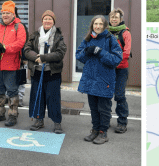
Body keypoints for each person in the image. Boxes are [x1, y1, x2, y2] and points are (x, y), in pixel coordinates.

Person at [75, 15, 123, 145]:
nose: (98, 26)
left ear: (105, 26)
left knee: (104, 109)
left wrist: (100, 52)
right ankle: (95, 130)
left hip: (105, 80)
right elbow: (78, 55)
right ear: (92, 25)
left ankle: (103, 133)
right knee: (94, 108)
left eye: (101, 24)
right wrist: (87, 51)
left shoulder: (111, 39)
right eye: (96, 24)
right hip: (91, 79)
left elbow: (116, 59)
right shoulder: (88, 38)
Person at [22, 10, 67, 133]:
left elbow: (60, 53)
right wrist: (37, 56)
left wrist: (43, 58)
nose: (47, 21)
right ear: (42, 21)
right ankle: (38, 120)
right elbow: (26, 49)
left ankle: (57, 122)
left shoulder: (58, 36)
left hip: (52, 73)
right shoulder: (35, 35)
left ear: (53, 22)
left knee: (53, 99)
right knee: (37, 97)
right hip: (37, 72)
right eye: (45, 19)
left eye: (50, 19)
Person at [0, 1, 28, 127]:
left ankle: (12, 115)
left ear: (13, 14)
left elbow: (20, 43)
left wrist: (5, 47)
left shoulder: (19, 27)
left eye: (7, 13)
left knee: (12, 91)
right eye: (3, 13)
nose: (5, 15)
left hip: (11, 66)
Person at [107, 8, 132, 134]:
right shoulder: (106, 32)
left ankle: (122, 122)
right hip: (108, 70)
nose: (114, 19)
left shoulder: (125, 33)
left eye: (116, 17)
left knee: (119, 96)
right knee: (105, 95)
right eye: (112, 17)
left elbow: (126, 53)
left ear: (120, 19)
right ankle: (105, 120)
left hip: (121, 69)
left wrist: (114, 62)